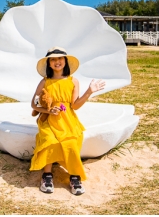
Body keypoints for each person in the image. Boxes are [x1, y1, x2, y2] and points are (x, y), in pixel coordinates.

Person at [29, 47, 105, 195]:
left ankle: (75, 176)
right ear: (49, 64)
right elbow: (34, 104)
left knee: (70, 142)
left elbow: (75, 105)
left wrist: (89, 92)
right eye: (53, 59)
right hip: (49, 121)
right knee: (49, 140)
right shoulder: (44, 82)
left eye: (60, 58)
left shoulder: (73, 81)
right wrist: (48, 110)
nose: (57, 62)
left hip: (68, 120)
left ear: (65, 61)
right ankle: (47, 175)